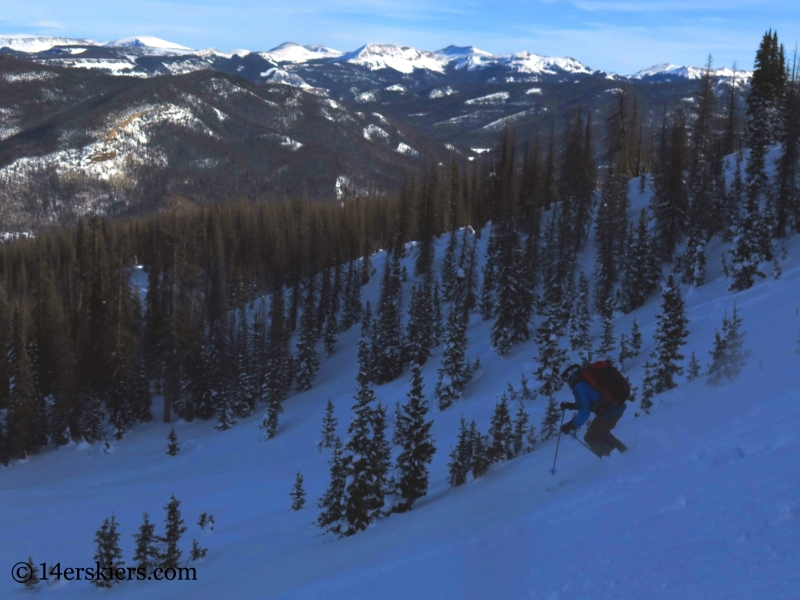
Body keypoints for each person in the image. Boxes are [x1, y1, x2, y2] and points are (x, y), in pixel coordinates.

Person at [558, 364, 627, 457]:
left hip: (609, 412)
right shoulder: (587, 378)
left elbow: (584, 413)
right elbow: (594, 402)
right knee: (601, 434)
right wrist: (571, 406)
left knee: (591, 438)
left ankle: (615, 463)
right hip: (617, 406)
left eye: (564, 379)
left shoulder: (578, 385)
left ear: (567, 375)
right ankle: (626, 453)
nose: (566, 382)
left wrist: (570, 425)